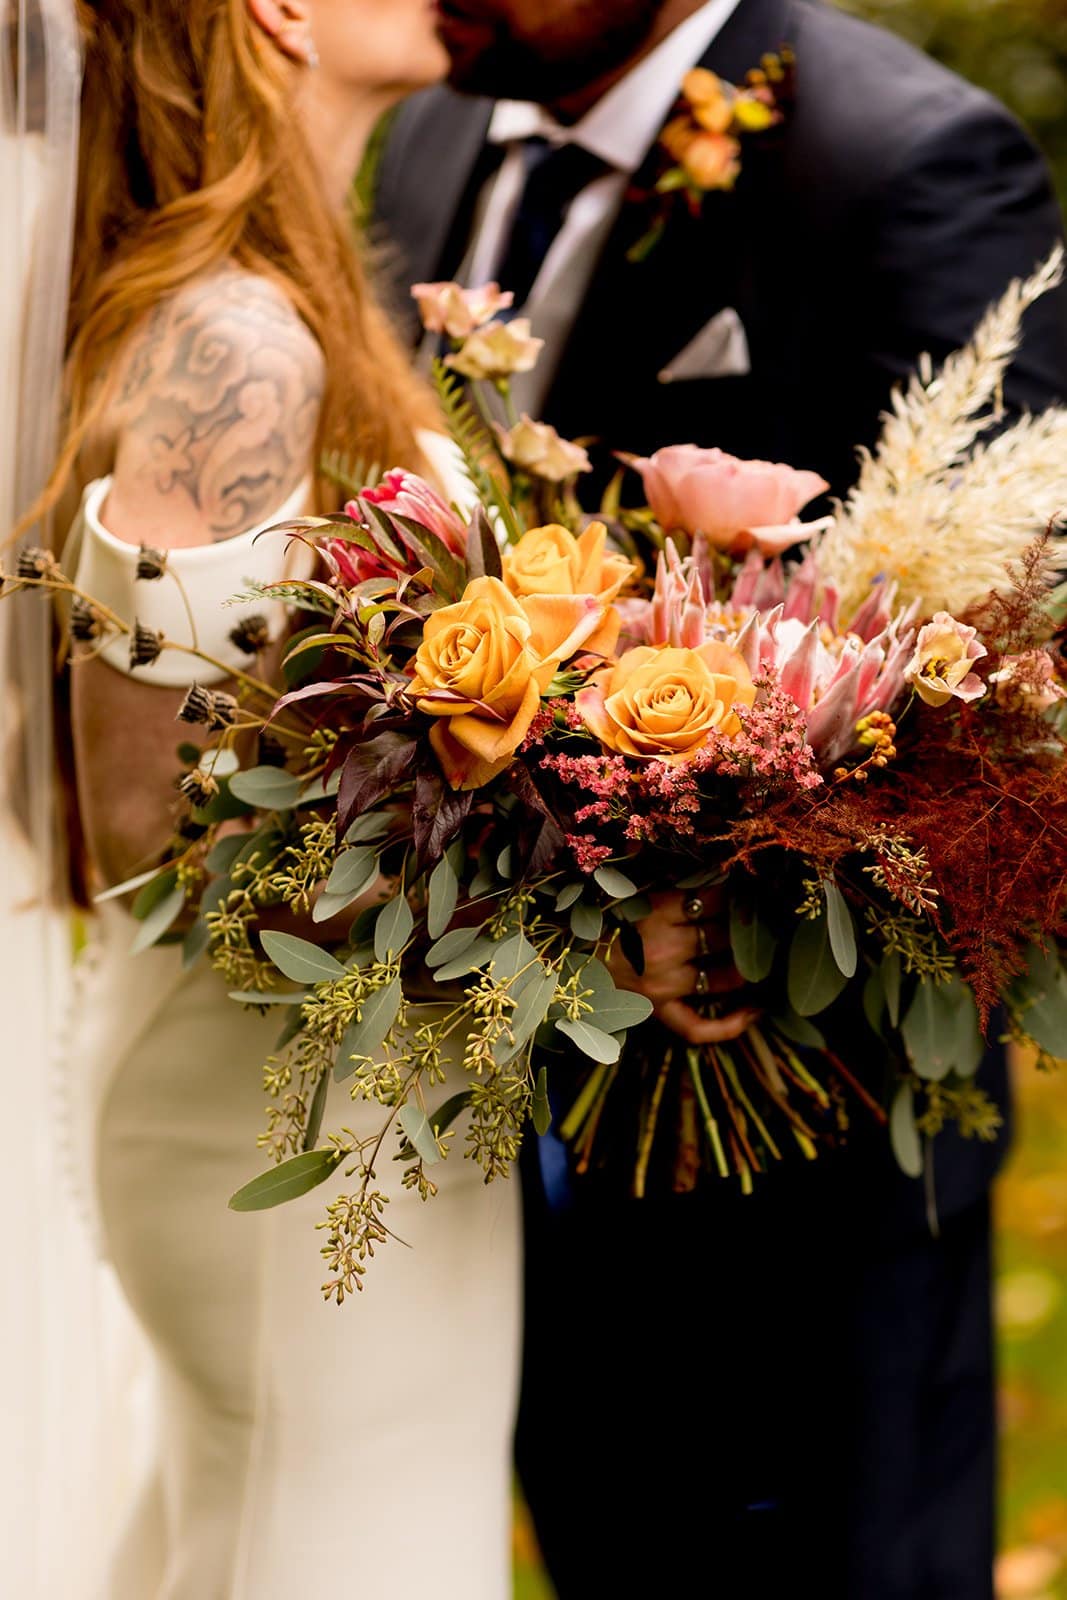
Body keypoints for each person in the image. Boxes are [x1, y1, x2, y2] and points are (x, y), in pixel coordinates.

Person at [374, 1, 1067, 1594]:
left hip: (796, 1146)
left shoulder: (902, 160)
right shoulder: (438, 124)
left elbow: (1005, 670)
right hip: (503, 1113)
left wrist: (730, 881)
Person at [12, 3, 521, 1596]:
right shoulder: (232, 342)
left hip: (369, 1096)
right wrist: (573, 874)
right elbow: (144, 832)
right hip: (275, 1107)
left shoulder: (291, 303)